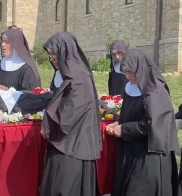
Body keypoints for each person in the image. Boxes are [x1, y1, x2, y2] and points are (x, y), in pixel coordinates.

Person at [106, 49, 179, 196]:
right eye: (125, 73)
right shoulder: (130, 87)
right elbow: (129, 113)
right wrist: (118, 123)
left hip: (150, 153)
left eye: (130, 72)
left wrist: (124, 129)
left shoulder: (155, 90)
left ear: (140, 68)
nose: (128, 76)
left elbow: (152, 124)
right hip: (132, 148)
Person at [40, 32, 102, 196]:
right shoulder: (68, 74)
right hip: (68, 143)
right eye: (50, 55)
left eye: (54, 54)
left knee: (64, 188)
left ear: (65, 52)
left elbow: (69, 115)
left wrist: (47, 124)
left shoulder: (79, 78)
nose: (52, 58)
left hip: (73, 147)